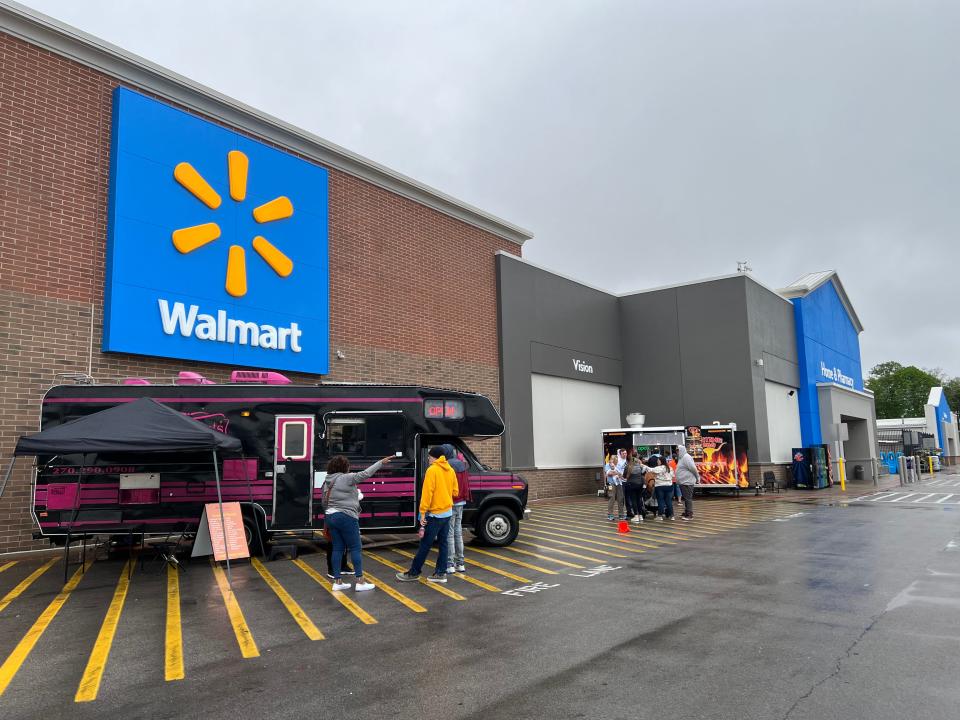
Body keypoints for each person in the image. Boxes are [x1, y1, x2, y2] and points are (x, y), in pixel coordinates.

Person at [323, 453, 396, 591]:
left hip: (331, 517)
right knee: (356, 547)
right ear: (344, 467)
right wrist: (381, 462)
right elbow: (365, 474)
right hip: (346, 516)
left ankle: (337, 582)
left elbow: (323, 501)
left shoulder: (328, 480)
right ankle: (360, 581)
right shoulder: (346, 478)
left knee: (338, 548)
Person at [396, 446, 459, 583]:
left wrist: (423, 513)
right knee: (444, 544)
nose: (428, 458)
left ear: (435, 457)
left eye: (430, 456)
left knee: (425, 545)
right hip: (447, 513)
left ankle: (414, 572)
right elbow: (455, 491)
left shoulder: (432, 470)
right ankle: (440, 573)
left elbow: (427, 494)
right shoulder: (450, 470)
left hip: (434, 514)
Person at [443, 443, 471, 575]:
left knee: (449, 533)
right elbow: (465, 484)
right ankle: (461, 563)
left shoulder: (446, 466)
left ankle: (450, 564)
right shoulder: (462, 465)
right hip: (461, 502)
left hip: (450, 502)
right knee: (458, 532)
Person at [623, 450, 648, 523]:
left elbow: (624, 476)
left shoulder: (628, 466)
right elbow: (643, 473)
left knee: (633, 500)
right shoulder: (639, 466)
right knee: (639, 499)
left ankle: (636, 516)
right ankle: (640, 516)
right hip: (640, 484)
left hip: (631, 485)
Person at [675, 445, 700, 519]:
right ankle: (687, 512)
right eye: (676, 450)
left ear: (681, 450)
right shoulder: (681, 458)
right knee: (686, 498)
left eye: (678, 450)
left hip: (687, 482)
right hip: (683, 482)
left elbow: (693, 468)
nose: (676, 452)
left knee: (688, 498)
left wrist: (697, 477)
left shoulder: (686, 457)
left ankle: (689, 514)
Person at [648, 453, 675, 520]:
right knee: (668, 501)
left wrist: (642, 465)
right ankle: (672, 516)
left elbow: (650, 470)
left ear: (661, 461)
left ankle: (660, 516)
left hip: (660, 486)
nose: (657, 461)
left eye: (658, 460)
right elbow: (673, 476)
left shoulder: (658, 468)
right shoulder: (670, 468)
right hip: (669, 486)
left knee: (661, 501)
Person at [605, 451, 626, 521]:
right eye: (615, 459)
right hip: (611, 484)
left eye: (617, 459)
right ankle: (610, 514)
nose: (616, 460)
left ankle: (621, 514)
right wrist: (617, 473)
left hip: (619, 483)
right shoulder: (608, 465)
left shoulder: (618, 465)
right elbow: (609, 473)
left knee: (620, 499)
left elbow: (622, 474)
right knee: (612, 498)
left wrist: (618, 473)